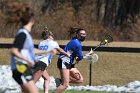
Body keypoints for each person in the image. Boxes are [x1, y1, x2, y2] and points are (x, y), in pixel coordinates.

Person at [9, 2, 53, 93]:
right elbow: (14, 50)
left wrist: (47, 52)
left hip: (24, 68)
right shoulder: (23, 34)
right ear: (32, 20)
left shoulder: (26, 34)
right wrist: (27, 60)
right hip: (21, 69)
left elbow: (31, 50)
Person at [55, 27, 93, 93]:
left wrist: (77, 58)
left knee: (80, 80)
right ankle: (63, 81)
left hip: (68, 63)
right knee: (65, 85)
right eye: (81, 34)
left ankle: (61, 80)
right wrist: (89, 54)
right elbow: (80, 57)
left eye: (84, 34)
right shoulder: (77, 44)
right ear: (77, 35)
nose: (83, 35)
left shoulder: (75, 40)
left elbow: (74, 54)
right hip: (64, 62)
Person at [33, 27, 70, 93]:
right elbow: (60, 50)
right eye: (52, 35)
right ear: (49, 36)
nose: (53, 37)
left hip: (36, 62)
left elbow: (54, 52)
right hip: (42, 63)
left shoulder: (41, 43)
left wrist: (63, 54)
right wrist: (66, 53)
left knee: (47, 78)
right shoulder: (53, 43)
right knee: (32, 84)